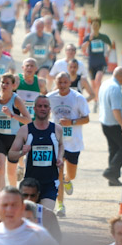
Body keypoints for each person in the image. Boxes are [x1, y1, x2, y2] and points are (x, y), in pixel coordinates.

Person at [8, 95, 64, 211]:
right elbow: (11, 154)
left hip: (50, 183)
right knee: (27, 216)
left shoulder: (57, 129)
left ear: (49, 109)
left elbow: (61, 145)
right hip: (30, 184)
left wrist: (60, 157)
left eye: (45, 106)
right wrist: (21, 153)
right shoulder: (25, 130)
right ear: (34, 109)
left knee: (45, 215)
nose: (42, 108)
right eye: (39, 106)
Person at [47, 72, 90, 217]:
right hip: (56, 142)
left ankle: (67, 180)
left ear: (70, 82)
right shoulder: (50, 98)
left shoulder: (78, 98)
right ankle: (60, 205)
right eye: (60, 82)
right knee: (57, 174)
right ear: (55, 82)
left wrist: (71, 122)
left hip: (73, 143)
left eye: (65, 82)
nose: (63, 85)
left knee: (71, 174)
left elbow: (86, 119)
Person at [0, 73, 31, 196]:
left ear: (13, 85)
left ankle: (14, 197)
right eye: (2, 82)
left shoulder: (16, 100)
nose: (4, 85)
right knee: (0, 168)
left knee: (11, 172)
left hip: (14, 139)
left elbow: (28, 119)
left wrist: (12, 115)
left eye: (7, 83)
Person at [14, 58, 47, 179]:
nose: (29, 68)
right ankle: (21, 166)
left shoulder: (40, 83)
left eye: (32, 66)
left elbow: (45, 98)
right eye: (27, 66)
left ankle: (28, 171)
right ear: (22, 68)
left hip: (34, 121)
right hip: (19, 120)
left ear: (36, 69)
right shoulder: (16, 80)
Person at [99, 67, 122, 186]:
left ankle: (113, 178)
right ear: (120, 76)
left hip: (105, 122)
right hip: (114, 124)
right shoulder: (115, 88)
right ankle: (111, 172)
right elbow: (115, 109)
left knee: (114, 148)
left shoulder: (106, 83)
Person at [82, 17, 112, 113]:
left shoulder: (104, 37)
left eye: (97, 25)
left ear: (100, 26)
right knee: (94, 84)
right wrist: (89, 41)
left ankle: (97, 102)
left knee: (98, 80)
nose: (95, 27)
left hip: (101, 63)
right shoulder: (88, 37)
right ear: (91, 26)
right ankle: (96, 101)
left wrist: (108, 54)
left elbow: (110, 45)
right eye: (93, 25)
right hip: (91, 63)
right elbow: (82, 48)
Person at [19, 178, 61, 243]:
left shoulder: (48, 215)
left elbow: (57, 241)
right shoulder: (10, 214)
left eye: (32, 196)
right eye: (25, 195)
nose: (29, 199)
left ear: (38, 195)